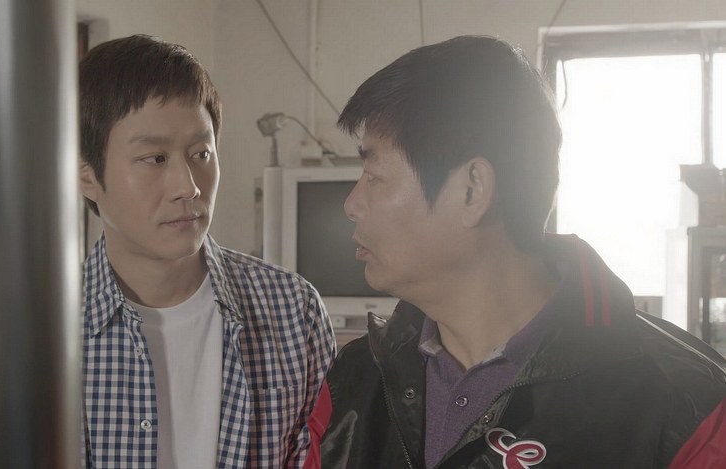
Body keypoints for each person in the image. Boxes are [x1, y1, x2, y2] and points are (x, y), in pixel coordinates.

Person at [310, 35, 726, 468]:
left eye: (374, 175)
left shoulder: (684, 407)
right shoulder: (353, 383)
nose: (352, 204)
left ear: (472, 190)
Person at [78, 34, 335, 469]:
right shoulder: (42, 331)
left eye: (201, 153)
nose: (188, 187)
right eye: (155, 159)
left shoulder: (293, 311)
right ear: (87, 176)